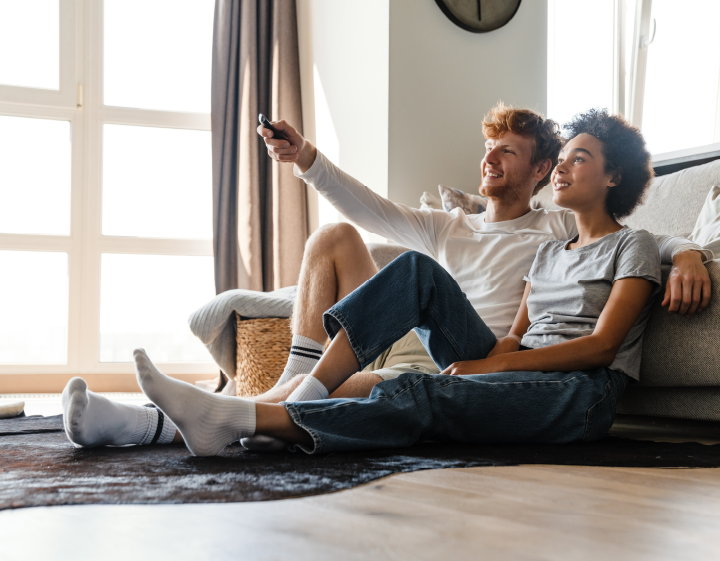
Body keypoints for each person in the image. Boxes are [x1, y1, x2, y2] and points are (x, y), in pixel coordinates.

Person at [61, 104, 712, 450]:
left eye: (509, 151)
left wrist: (684, 252)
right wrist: (307, 159)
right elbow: (512, 336)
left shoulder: (579, 232)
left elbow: (640, 254)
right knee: (402, 270)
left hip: (537, 380)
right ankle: (149, 423)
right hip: (474, 356)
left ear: (544, 170)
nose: (490, 157)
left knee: (400, 392)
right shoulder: (481, 236)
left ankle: (232, 417)